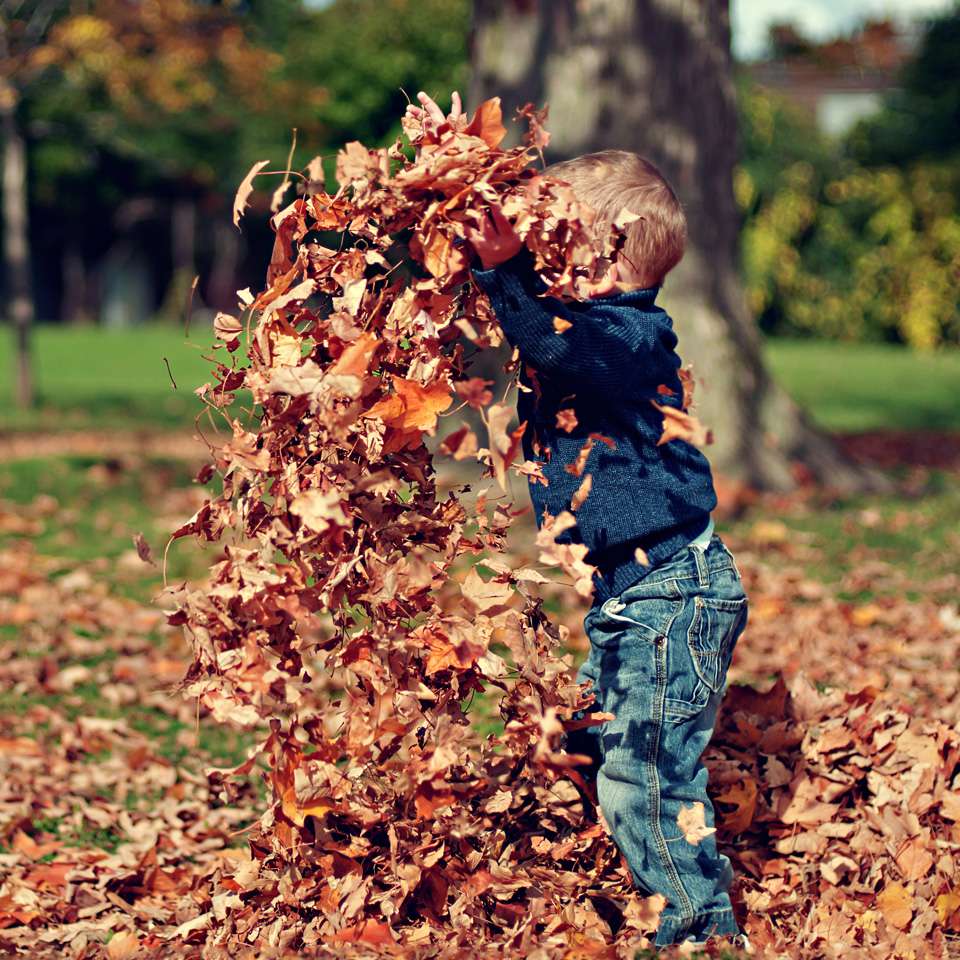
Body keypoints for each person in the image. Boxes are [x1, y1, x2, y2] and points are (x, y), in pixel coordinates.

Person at [408, 92, 752, 952]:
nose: (537, 255)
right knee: (603, 747)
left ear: (600, 260)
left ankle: (699, 931)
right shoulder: (588, 326)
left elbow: (555, 343)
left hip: (674, 594)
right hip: (635, 595)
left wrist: (504, 272)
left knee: (645, 772)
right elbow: (540, 333)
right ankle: (647, 878)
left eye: (552, 240)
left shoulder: (629, 337)